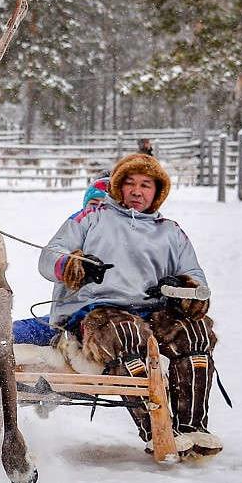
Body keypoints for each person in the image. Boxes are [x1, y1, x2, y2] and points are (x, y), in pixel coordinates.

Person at [38, 153, 222, 457]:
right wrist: (73, 265)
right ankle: (160, 431)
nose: (137, 191)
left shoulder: (171, 231)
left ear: (157, 191)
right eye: (130, 183)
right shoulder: (91, 218)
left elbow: (197, 278)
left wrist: (184, 286)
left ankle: (193, 429)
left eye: (146, 185)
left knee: (195, 332)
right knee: (127, 333)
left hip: (153, 309)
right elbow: (48, 257)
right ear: (118, 187)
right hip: (97, 311)